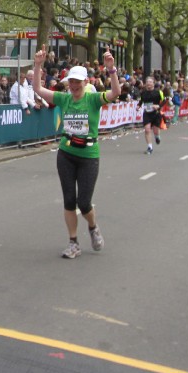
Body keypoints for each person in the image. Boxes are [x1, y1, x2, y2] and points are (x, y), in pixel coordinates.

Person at [30, 46, 121, 259]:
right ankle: (73, 243)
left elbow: (116, 93)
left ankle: (93, 227)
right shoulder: (64, 99)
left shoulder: (93, 99)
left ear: (85, 82)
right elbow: (38, 89)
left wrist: (111, 70)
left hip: (88, 156)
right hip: (66, 154)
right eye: (71, 82)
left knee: (84, 202)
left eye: (77, 82)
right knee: (69, 200)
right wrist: (37, 65)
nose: (73, 85)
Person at [137, 77, 164, 154]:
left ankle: (157, 136)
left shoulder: (158, 92)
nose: (148, 83)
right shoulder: (143, 93)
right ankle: (150, 147)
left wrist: (158, 106)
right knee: (147, 129)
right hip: (147, 113)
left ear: (153, 84)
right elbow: (141, 101)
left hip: (156, 113)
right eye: (147, 82)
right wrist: (138, 106)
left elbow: (165, 101)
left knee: (155, 130)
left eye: (150, 82)